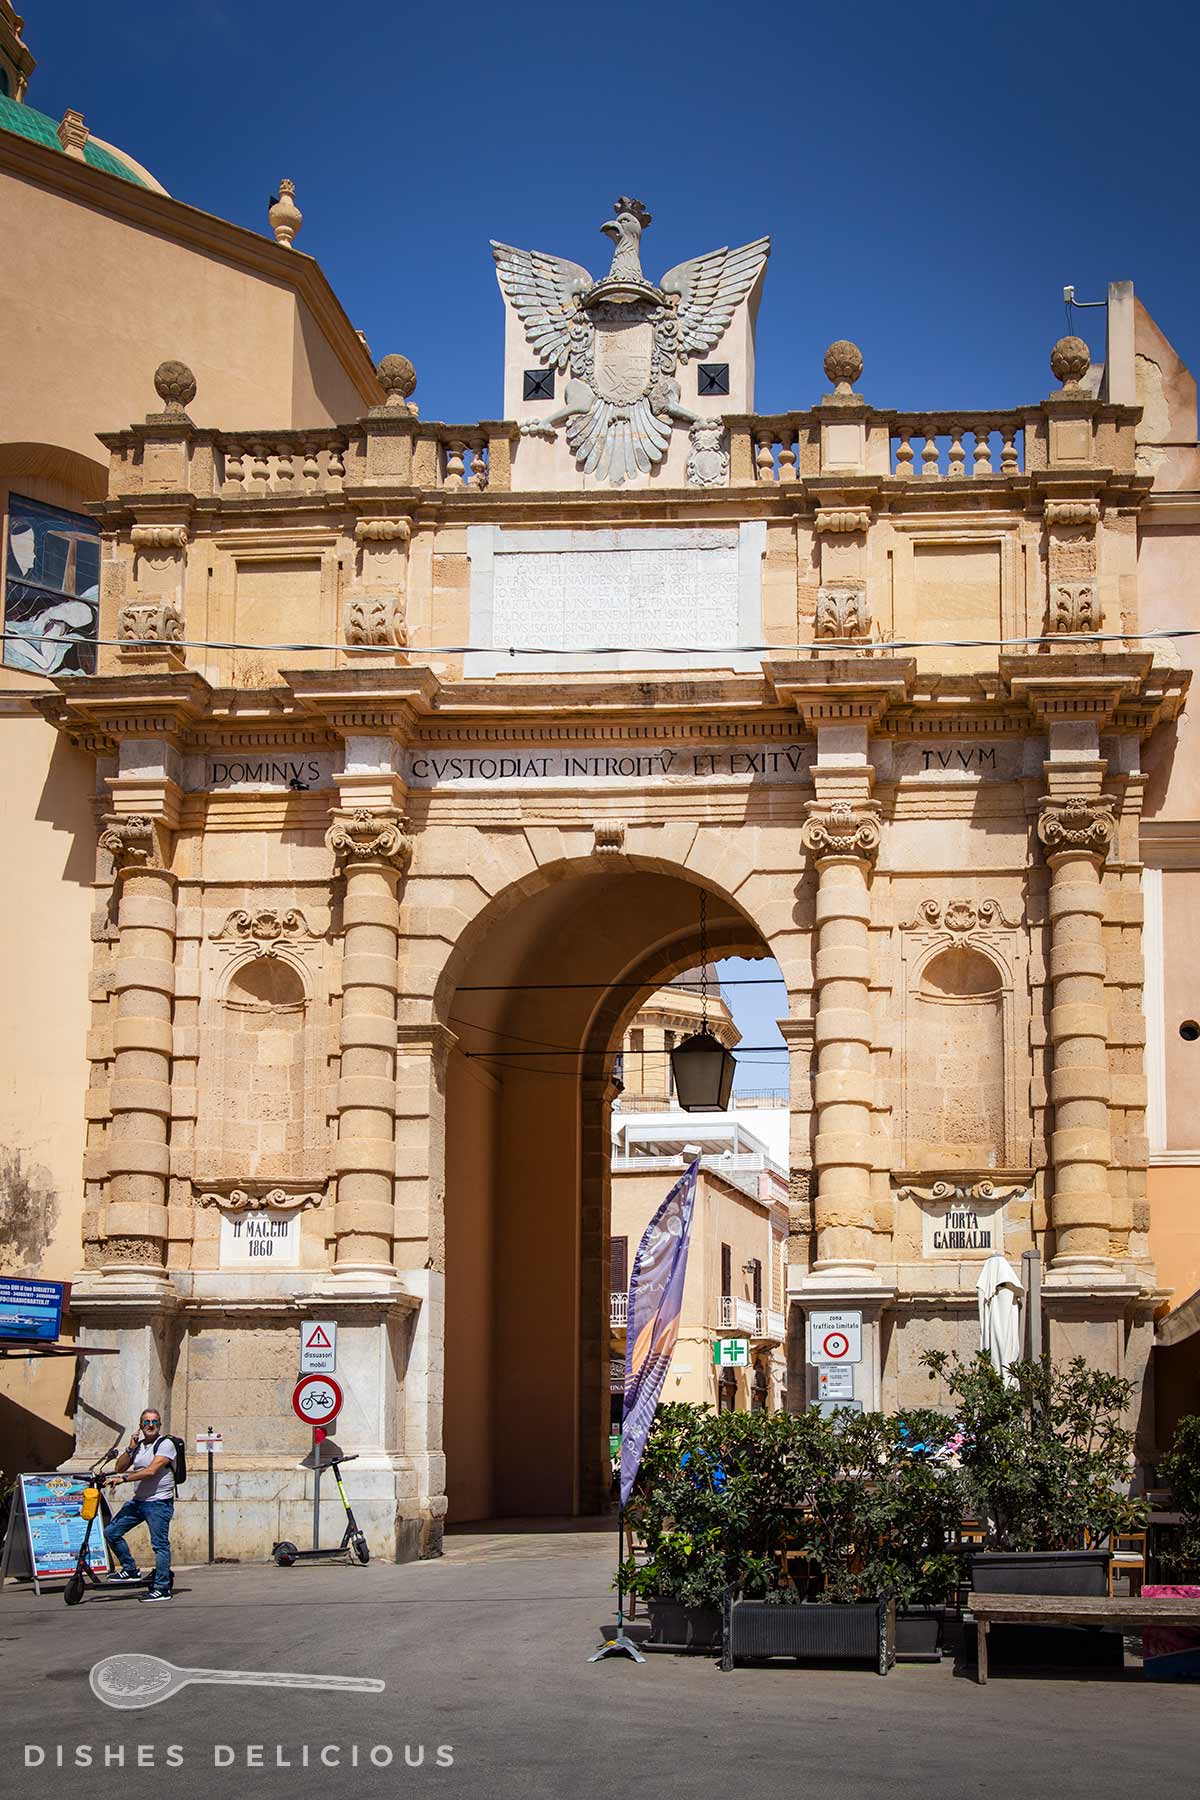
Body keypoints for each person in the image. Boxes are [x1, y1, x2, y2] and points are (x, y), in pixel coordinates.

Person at [103, 1409, 176, 1603]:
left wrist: (124, 1479)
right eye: (147, 1422)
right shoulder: (140, 1446)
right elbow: (119, 1467)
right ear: (140, 1426)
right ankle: (130, 1569)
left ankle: (162, 1588)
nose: (151, 1426)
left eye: (155, 1422)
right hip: (139, 1501)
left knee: (159, 1545)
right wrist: (130, 1448)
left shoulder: (166, 1444)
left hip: (159, 1502)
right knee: (111, 1532)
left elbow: (151, 1471)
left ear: (160, 1425)